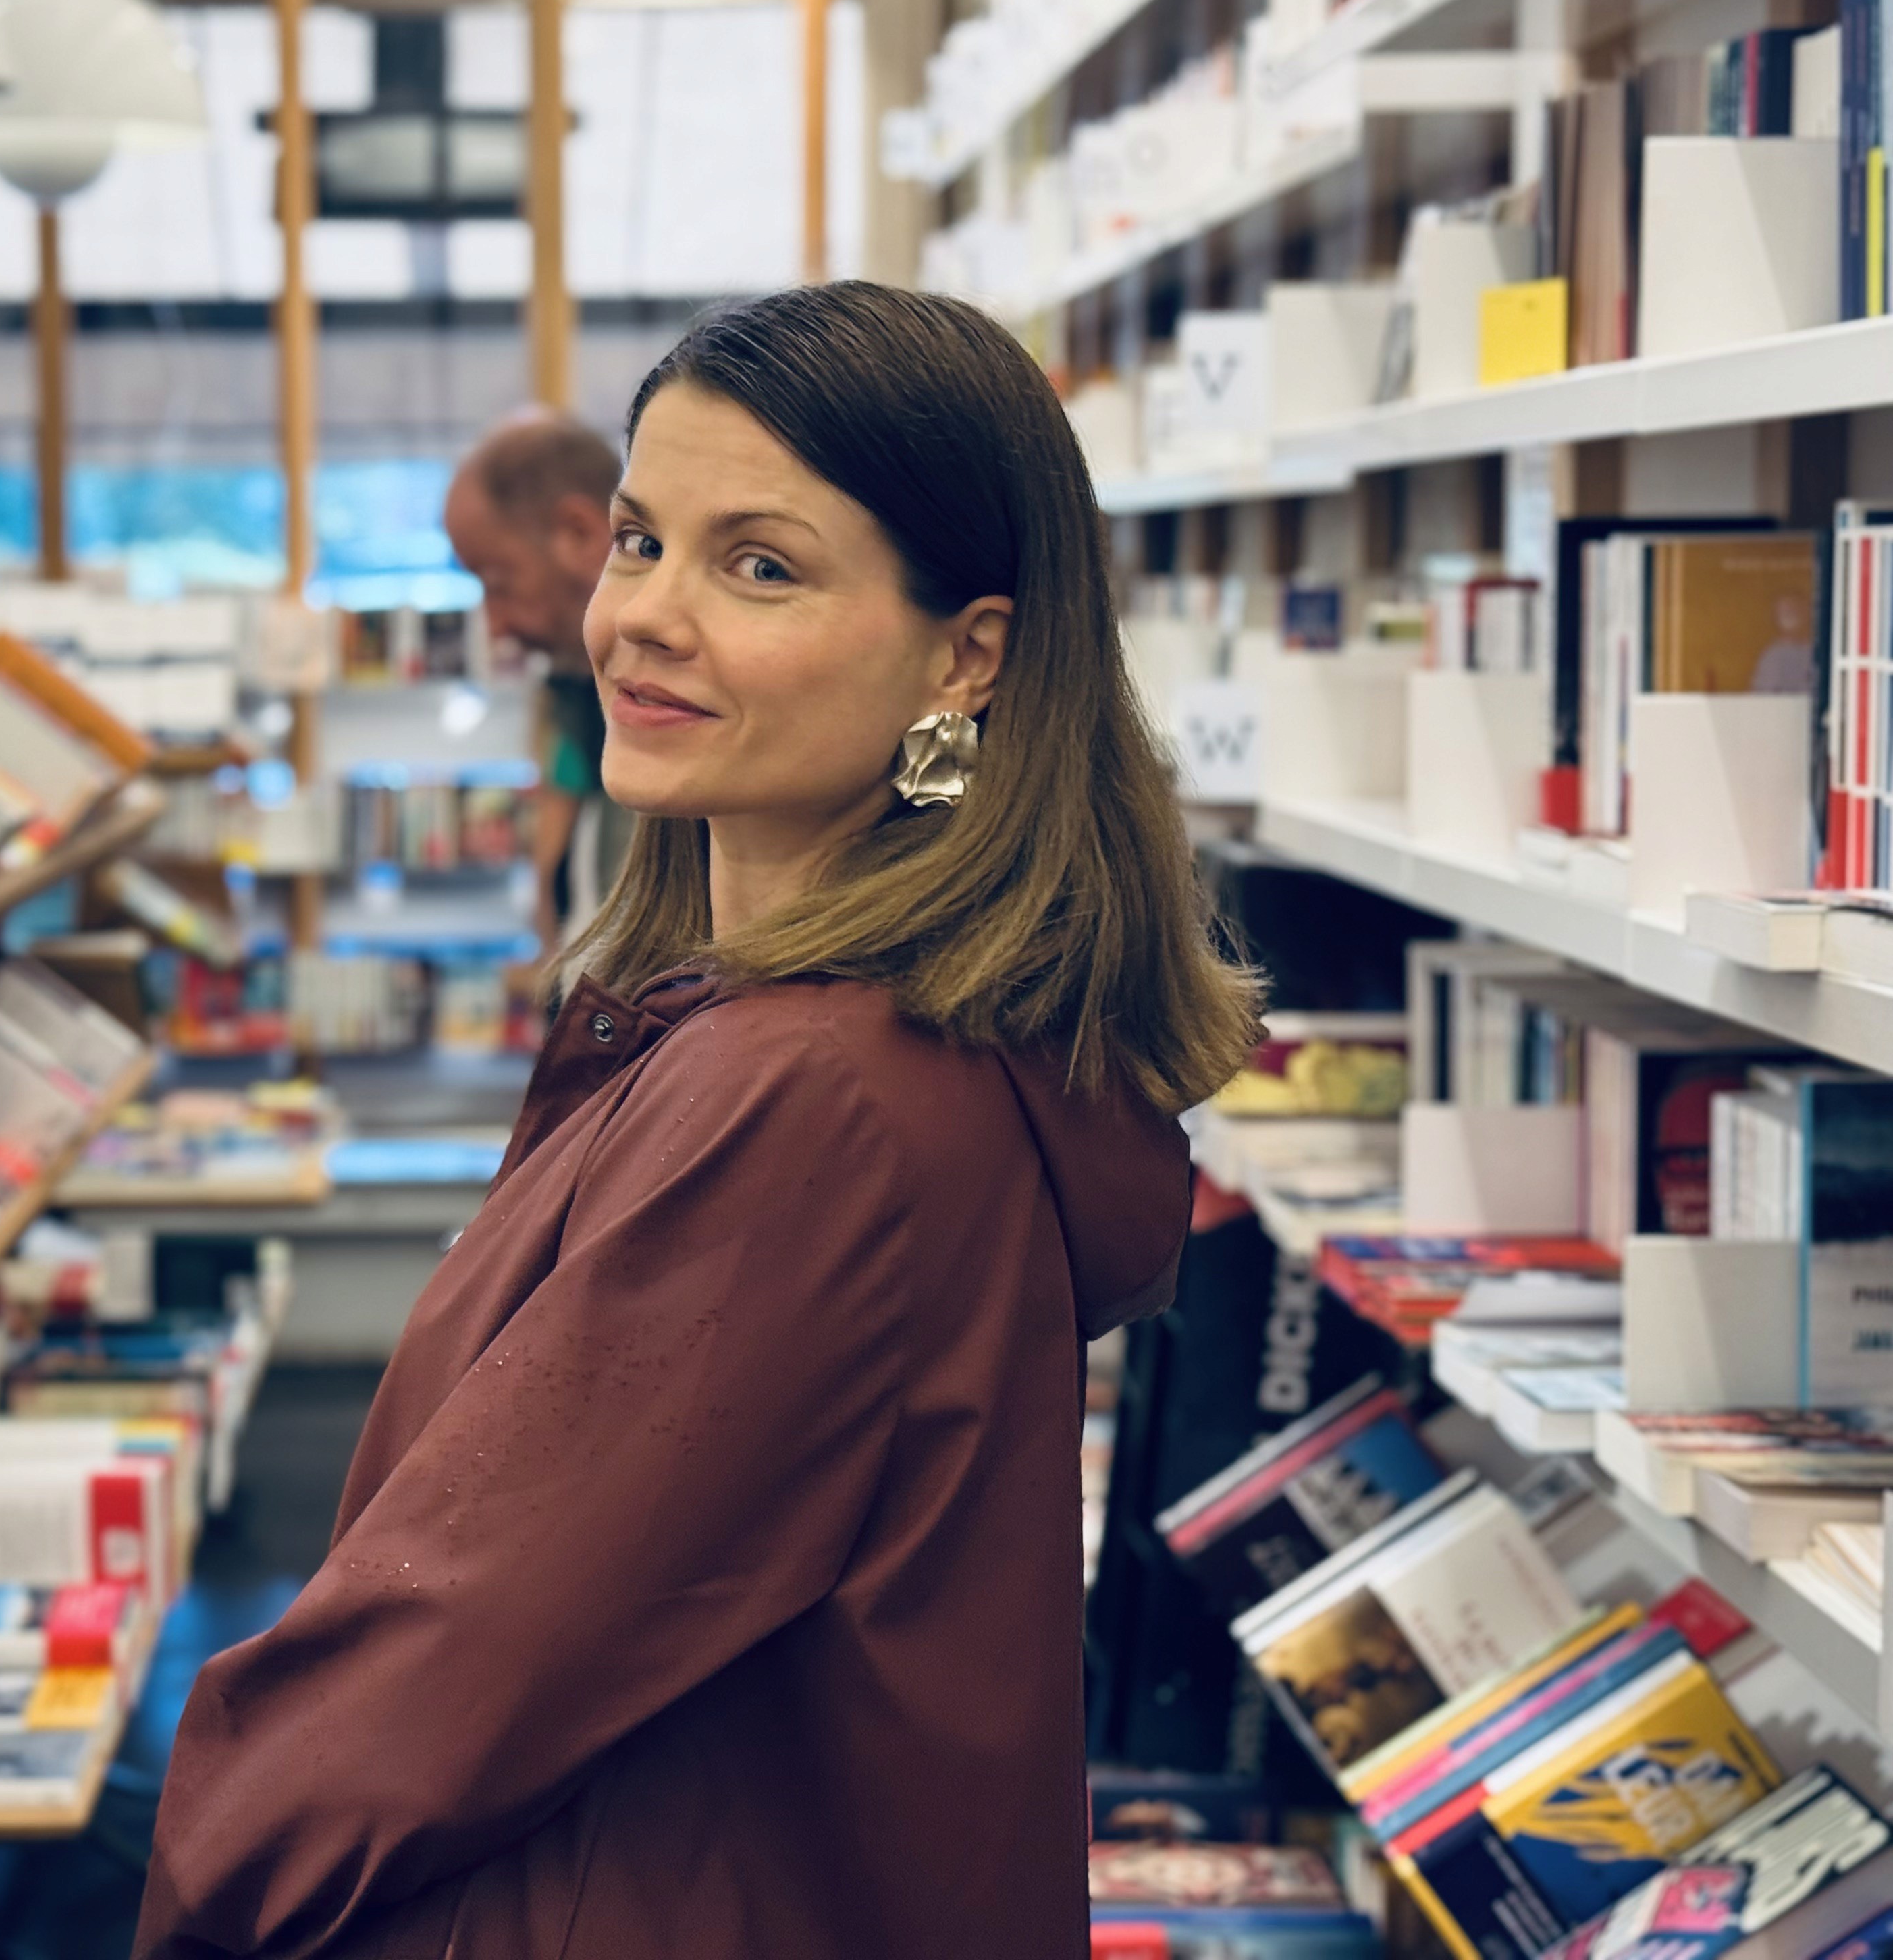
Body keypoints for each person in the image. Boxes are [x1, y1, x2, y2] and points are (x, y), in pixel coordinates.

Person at [135, 283, 1263, 1959]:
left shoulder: (811, 1097)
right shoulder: (862, 1035)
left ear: (967, 653)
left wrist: (207, 1872)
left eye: (762, 567)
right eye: (644, 543)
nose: (643, 618)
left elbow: (467, 1654)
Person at [442, 409, 630, 955]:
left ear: (579, 534)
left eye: (498, 583)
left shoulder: (678, 719)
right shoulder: (580, 705)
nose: (496, 629)